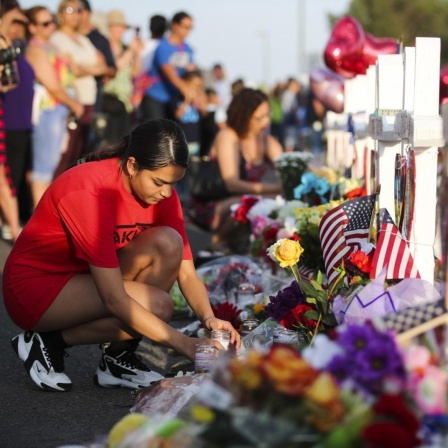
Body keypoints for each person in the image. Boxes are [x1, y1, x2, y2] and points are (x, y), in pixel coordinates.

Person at [3, 119, 240, 393]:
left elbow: (186, 272)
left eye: (174, 183)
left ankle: (117, 359)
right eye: (159, 182)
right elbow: (113, 299)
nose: (167, 192)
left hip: (85, 277)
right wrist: (184, 344)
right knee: (159, 306)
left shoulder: (163, 191)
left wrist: (208, 319)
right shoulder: (92, 189)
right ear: (131, 165)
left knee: (169, 243)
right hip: (35, 288)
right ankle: (49, 342)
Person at [184, 88, 283, 251]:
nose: (266, 122)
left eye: (268, 115)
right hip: (215, 205)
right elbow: (232, 183)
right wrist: (276, 188)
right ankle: (216, 244)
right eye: (259, 118)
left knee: (271, 202)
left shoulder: (266, 141)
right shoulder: (228, 136)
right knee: (254, 203)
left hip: (242, 201)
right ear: (243, 117)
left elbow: (286, 167)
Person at [25, 5, 84, 208]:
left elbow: (68, 77)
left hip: (59, 110)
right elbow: (52, 85)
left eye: (51, 21)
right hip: (48, 110)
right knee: (43, 165)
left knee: (51, 164)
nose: (51, 26)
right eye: (44, 23)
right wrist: (73, 103)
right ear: (32, 27)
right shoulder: (35, 49)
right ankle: (37, 214)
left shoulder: (51, 47)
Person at [50, 0, 108, 176]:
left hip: (89, 100)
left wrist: (84, 68)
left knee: (81, 152)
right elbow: (71, 70)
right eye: (70, 10)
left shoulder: (84, 40)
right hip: (72, 101)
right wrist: (93, 69)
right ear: (60, 14)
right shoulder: (57, 39)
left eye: (78, 10)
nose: (75, 14)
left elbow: (104, 65)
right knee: (66, 153)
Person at [1, 0, 34, 225]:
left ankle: (14, 229)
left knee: (6, 176)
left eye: (21, 22)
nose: (17, 27)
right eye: (14, 21)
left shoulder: (14, 46)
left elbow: (7, 83)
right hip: (10, 118)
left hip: (14, 118)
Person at [139, 11, 195, 121]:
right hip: (155, 97)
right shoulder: (163, 46)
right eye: (185, 27)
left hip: (173, 99)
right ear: (175, 25)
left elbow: (191, 73)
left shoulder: (188, 49)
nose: (188, 31)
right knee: (156, 133)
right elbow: (168, 71)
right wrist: (185, 88)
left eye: (190, 27)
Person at [102, 9, 143, 144]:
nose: (122, 30)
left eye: (123, 27)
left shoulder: (125, 48)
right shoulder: (104, 47)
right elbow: (112, 70)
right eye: (118, 26)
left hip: (125, 102)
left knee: (121, 143)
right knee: (108, 142)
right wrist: (130, 51)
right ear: (109, 27)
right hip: (109, 99)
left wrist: (137, 54)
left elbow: (135, 73)